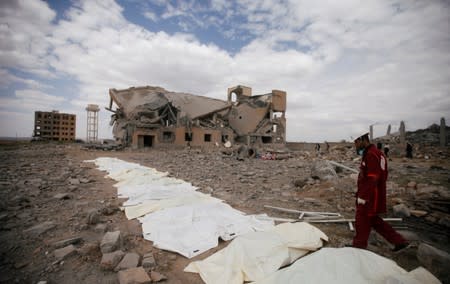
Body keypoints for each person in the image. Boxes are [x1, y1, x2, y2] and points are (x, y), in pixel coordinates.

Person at [351, 133, 409, 251]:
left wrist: (363, 196)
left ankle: (358, 247)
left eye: (356, 142)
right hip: (374, 193)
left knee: (361, 219)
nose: (355, 145)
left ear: (362, 139)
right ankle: (399, 241)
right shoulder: (376, 152)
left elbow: (373, 177)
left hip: (370, 195)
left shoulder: (371, 154)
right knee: (374, 220)